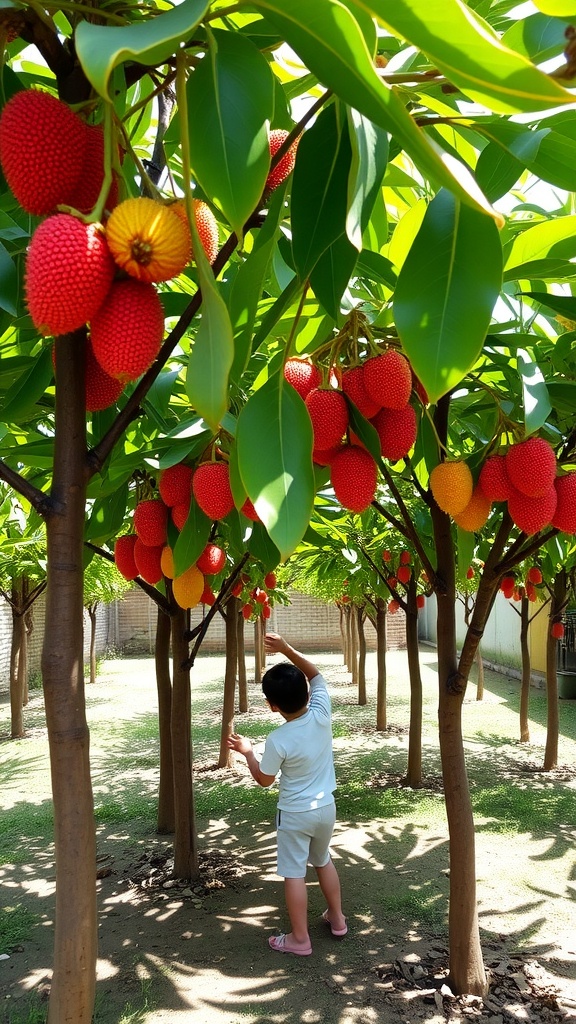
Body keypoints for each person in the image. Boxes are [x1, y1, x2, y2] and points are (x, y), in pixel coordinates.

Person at [227, 632, 347, 957]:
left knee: (294, 873)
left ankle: (299, 938)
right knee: (323, 860)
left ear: (272, 705)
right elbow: (316, 673)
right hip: (326, 808)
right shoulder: (322, 713)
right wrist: (284, 649)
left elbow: (265, 780)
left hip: (295, 815)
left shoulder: (278, 738)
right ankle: (337, 919)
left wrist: (248, 752)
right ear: (307, 693)